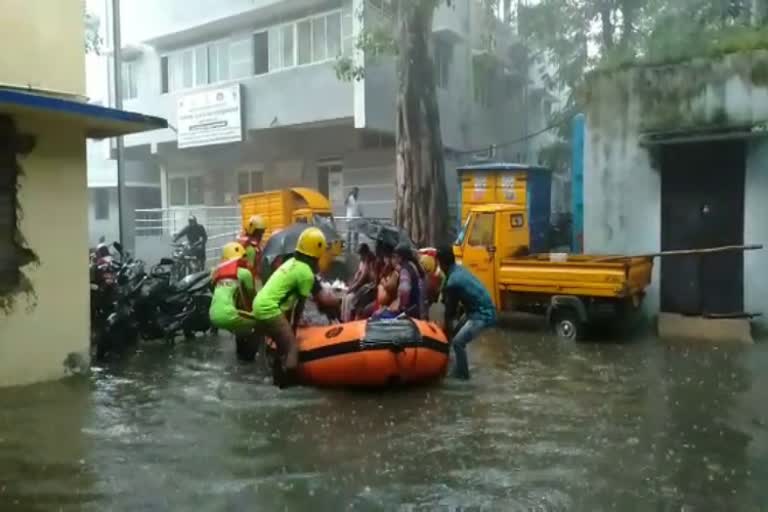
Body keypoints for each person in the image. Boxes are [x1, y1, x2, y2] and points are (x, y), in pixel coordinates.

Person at [252, 227, 336, 388]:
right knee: (291, 347)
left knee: (281, 344)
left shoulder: (291, 263)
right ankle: (288, 385)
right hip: (269, 309)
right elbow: (299, 306)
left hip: (259, 304)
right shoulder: (305, 273)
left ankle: (277, 379)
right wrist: (293, 330)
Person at [437, 245, 497, 380]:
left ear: (441, 263)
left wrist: (444, 338)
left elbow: (449, 314)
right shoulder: (458, 270)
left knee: (458, 342)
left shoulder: (453, 281)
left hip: (482, 315)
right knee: (456, 336)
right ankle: (459, 366)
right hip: (477, 310)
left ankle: (463, 378)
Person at [209, 242, 256, 335]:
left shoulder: (215, 272)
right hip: (229, 315)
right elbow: (252, 297)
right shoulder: (245, 273)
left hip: (212, 315)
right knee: (260, 322)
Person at [372, 243, 425, 320]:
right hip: (415, 309)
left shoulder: (404, 270)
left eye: (395, 257)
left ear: (400, 257)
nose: (394, 259)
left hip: (408, 312)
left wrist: (399, 307)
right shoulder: (413, 266)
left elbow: (404, 290)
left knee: (376, 316)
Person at [342, 243, 377, 321]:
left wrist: (352, 288)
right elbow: (357, 275)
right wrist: (351, 284)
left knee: (349, 299)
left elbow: (361, 279)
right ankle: (343, 320)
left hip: (366, 290)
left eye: (361, 255)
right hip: (360, 288)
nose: (360, 257)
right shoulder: (362, 262)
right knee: (345, 298)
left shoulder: (369, 263)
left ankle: (348, 321)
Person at [238, 214, 267, 286]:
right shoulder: (251, 248)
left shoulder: (246, 242)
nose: (261, 235)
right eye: (259, 232)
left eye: (262, 232)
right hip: (251, 280)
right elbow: (250, 269)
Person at [345, 187, 362, 251]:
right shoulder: (350, 198)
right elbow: (345, 203)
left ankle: (355, 248)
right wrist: (348, 195)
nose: (356, 193)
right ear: (353, 191)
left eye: (357, 191)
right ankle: (348, 248)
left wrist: (361, 215)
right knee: (349, 235)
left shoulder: (357, 200)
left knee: (356, 235)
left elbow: (358, 209)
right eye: (355, 191)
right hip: (349, 219)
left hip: (356, 219)